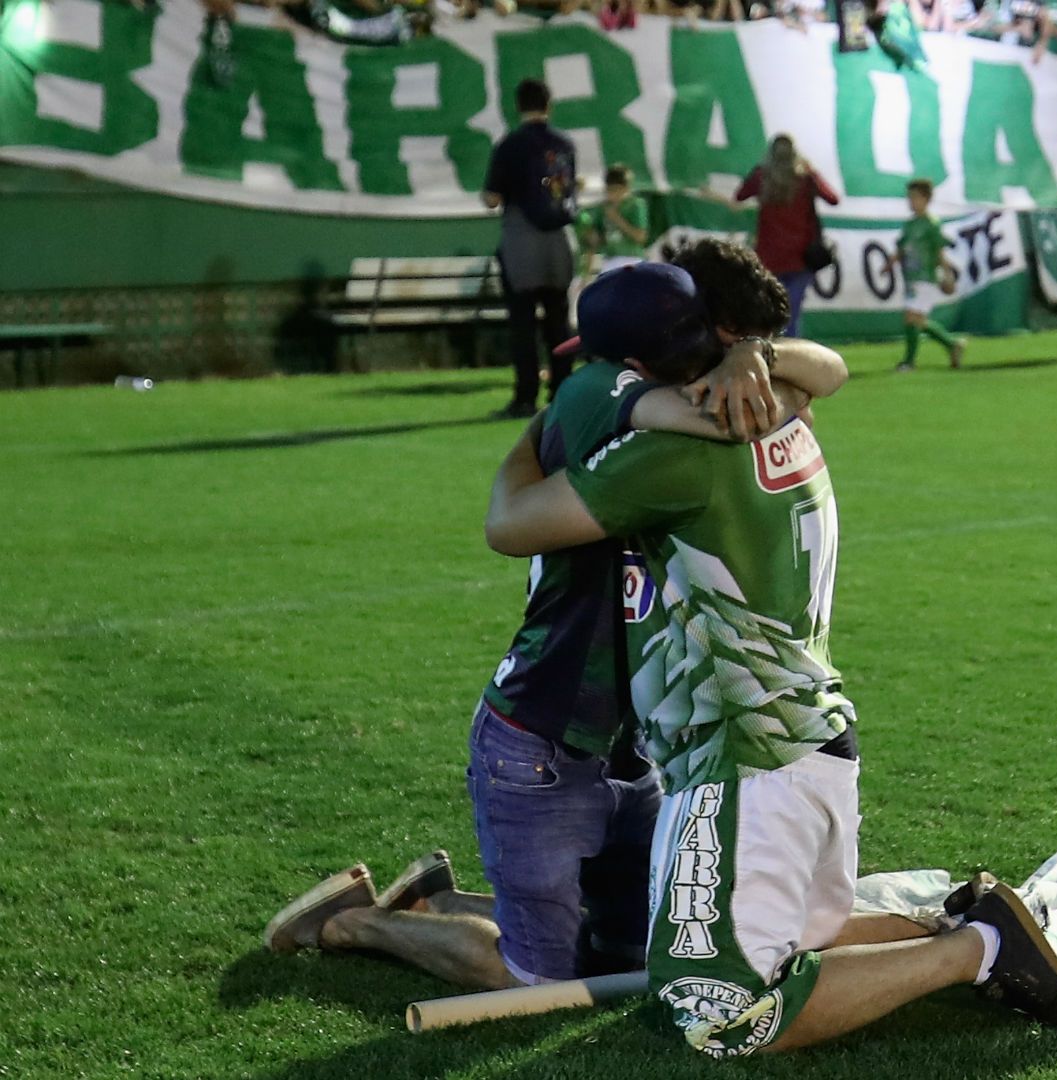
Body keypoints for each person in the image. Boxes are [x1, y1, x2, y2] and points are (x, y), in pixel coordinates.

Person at [482, 272, 1057, 1059]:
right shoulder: (780, 404)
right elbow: (823, 370)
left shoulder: (670, 451)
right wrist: (754, 356)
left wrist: (534, 439)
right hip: (808, 736)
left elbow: (511, 525)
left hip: (743, 756)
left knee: (714, 1012)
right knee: (796, 941)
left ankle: (975, 949)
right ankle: (959, 924)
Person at [262, 254, 851, 990]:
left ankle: (437, 898)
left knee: (632, 955)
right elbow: (509, 525)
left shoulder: (647, 388)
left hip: (632, 746)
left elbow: (818, 377)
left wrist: (752, 357)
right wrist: (534, 444)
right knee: (535, 980)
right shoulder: (600, 390)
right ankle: (355, 922)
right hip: (542, 736)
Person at [486, 79, 579, 419]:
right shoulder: (564, 144)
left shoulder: (509, 146)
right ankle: (563, 392)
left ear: (518, 105)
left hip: (521, 240)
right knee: (558, 321)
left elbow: (492, 198)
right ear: (549, 104)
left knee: (522, 322)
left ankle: (525, 396)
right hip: (559, 239)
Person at [735, 135, 842, 339]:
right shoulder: (805, 178)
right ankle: (791, 360)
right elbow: (833, 199)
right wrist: (812, 171)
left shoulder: (761, 176)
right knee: (791, 314)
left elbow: (740, 196)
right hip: (801, 257)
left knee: (770, 312)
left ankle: (768, 354)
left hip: (768, 256)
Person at [890, 178, 966, 372]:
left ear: (926, 199)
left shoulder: (932, 224)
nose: (911, 201)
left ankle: (909, 362)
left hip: (926, 277)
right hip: (911, 277)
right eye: (909, 197)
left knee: (912, 318)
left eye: (914, 197)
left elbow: (940, 251)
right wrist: (890, 263)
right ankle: (952, 344)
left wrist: (947, 274)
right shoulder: (910, 224)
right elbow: (902, 248)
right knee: (918, 320)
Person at [575, 164, 651, 281]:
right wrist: (592, 236)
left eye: (617, 190)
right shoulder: (603, 208)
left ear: (626, 189)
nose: (612, 194)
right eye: (609, 190)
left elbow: (641, 237)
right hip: (609, 259)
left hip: (631, 259)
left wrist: (617, 219)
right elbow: (597, 239)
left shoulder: (636, 205)